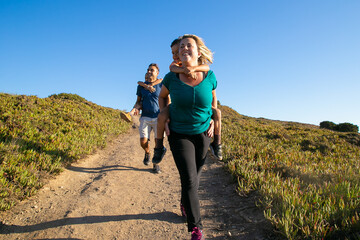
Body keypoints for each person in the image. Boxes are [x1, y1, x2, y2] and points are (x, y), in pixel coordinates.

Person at [157, 34, 217, 240]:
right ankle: (196, 228)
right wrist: (164, 118)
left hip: (202, 134)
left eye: (188, 45)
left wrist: (212, 119)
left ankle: (185, 203)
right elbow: (162, 97)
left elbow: (214, 100)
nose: (184, 48)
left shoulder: (210, 76)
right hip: (179, 133)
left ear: (198, 51)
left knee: (195, 178)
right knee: (189, 179)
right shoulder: (170, 77)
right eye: (181, 46)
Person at [152, 37, 223, 165]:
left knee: (217, 113)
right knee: (161, 116)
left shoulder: (204, 69)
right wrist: (184, 70)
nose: (175, 55)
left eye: (176, 51)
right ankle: (158, 147)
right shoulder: (176, 67)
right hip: (177, 107)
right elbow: (172, 68)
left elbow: (206, 67)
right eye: (173, 53)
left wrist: (194, 69)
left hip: (201, 117)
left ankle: (217, 144)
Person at [129, 63, 165, 174]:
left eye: (152, 70)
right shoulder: (141, 86)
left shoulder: (162, 84)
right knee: (143, 141)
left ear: (157, 73)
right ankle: (147, 152)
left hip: (158, 117)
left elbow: (167, 98)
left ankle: (156, 164)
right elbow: (138, 101)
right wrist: (136, 108)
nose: (149, 71)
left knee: (157, 143)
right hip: (145, 117)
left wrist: (167, 114)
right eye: (148, 70)